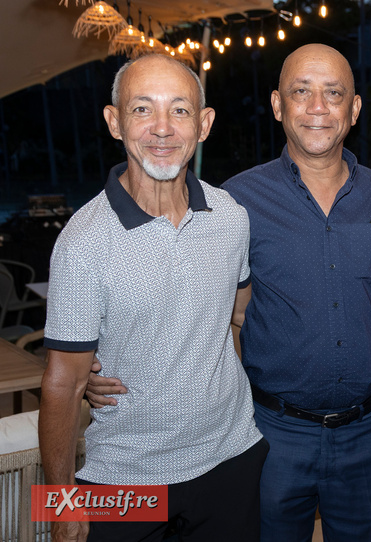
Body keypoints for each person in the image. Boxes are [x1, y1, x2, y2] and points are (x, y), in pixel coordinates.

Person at [89, 44, 371, 541]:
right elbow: (184, 300)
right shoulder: (236, 202)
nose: (316, 107)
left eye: (333, 94)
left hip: (366, 433)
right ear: (277, 105)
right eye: (300, 92)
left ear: (353, 110)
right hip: (270, 433)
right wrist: (93, 366)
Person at [40, 54, 266, 542]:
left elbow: (237, 318)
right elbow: (62, 384)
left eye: (180, 110)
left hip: (231, 459)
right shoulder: (82, 243)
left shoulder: (230, 216)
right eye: (142, 109)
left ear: (203, 125)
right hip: (124, 477)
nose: (162, 129)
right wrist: (60, 505)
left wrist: (219, 396)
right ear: (114, 121)